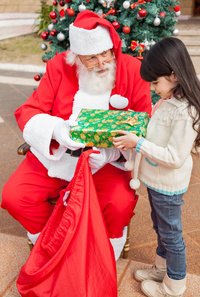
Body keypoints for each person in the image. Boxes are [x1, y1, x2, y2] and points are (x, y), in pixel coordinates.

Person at [1, 10, 151, 260]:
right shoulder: (60, 66)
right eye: (91, 58)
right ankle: (54, 241)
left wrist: (110, 153)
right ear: (77, 57)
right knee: (15, 197)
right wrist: (56, 130)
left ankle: (101, 254)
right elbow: (30, 110)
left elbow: (142, 122)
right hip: (58, 157)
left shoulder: (133, 70)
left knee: (119, 204)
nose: (102, 63)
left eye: (105, 53)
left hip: (107, 163)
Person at [113, 36, 200, 297]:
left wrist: (138, 143)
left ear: (173, 74)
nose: (152, 88)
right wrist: (137, 134)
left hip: (168, 184)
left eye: (155, 82)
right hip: (156, 179)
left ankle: (174, 286)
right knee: (161, 228)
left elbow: (174, 156)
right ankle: (161, 270)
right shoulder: (169, 98)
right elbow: (156, 133)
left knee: (171, 235)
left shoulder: (184, 111)